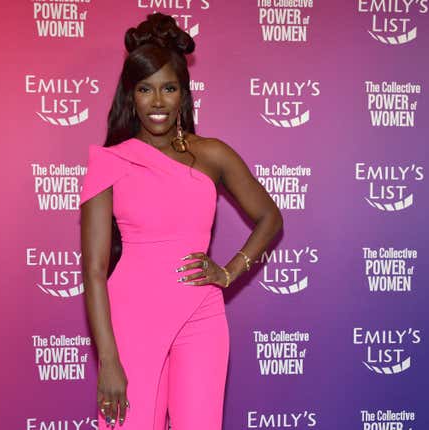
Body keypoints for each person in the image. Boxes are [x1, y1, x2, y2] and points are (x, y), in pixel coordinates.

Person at [79, 12, 283, 430]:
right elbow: (95, 271)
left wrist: (228, 272)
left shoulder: (212, 154)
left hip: (201, 314)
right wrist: (109, 360)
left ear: (183, 94)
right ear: (130, 96)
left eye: (168, 88)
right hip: (131, 316)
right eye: (145, 89)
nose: (157, 102)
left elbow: (269, 217)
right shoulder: (109, 162)